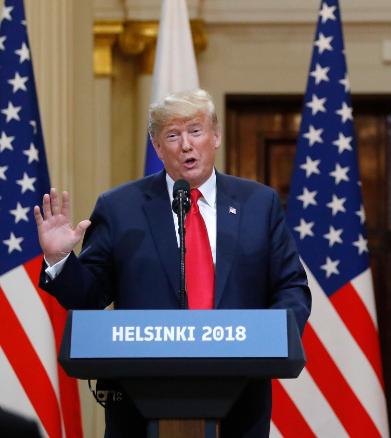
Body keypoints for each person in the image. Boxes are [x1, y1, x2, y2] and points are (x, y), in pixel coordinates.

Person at [34, 89, 311, 437]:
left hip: (240, 402)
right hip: (139, 404)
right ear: (157, 145)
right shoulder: (120, 208)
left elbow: (291, 287)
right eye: (172, 135)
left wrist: (268, 336)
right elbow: (88, 297)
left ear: (216, 136)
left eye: (195, 131)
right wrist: (60, 258)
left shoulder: (259, 203)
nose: (186, 145)